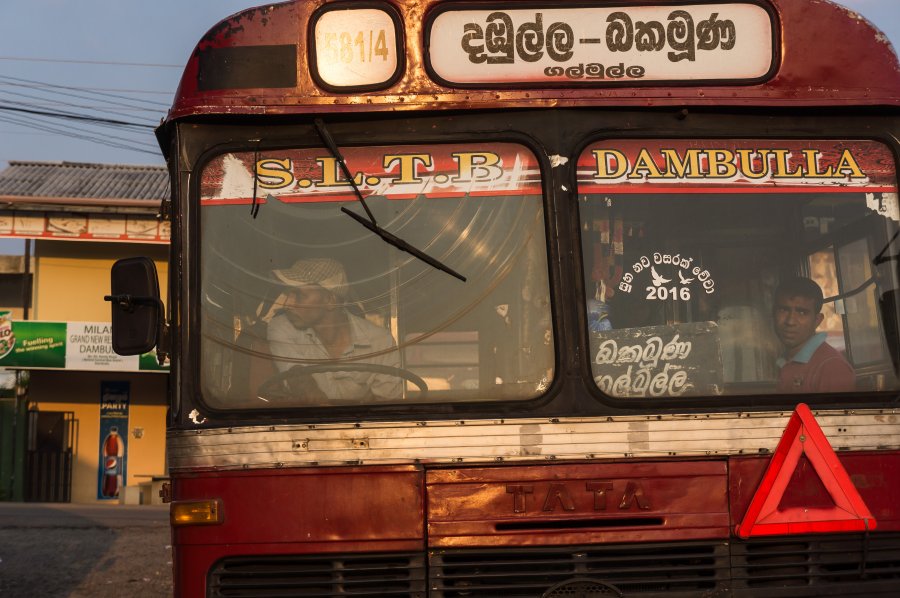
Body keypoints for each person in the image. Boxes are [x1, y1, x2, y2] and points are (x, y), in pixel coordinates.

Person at [266, 257, 402, 402]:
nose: (287, 304)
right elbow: (300, 381)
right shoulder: (282, 327)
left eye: (299, 295)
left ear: (330, 300)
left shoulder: (380, 341)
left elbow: (387, 407)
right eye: (288, 294)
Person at [772, 276, 855, 393]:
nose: (790, 321)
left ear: (817, 320)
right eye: (783, 310)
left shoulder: (832, 367)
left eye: (802, 312)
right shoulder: (779, 360)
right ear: (773, 313)